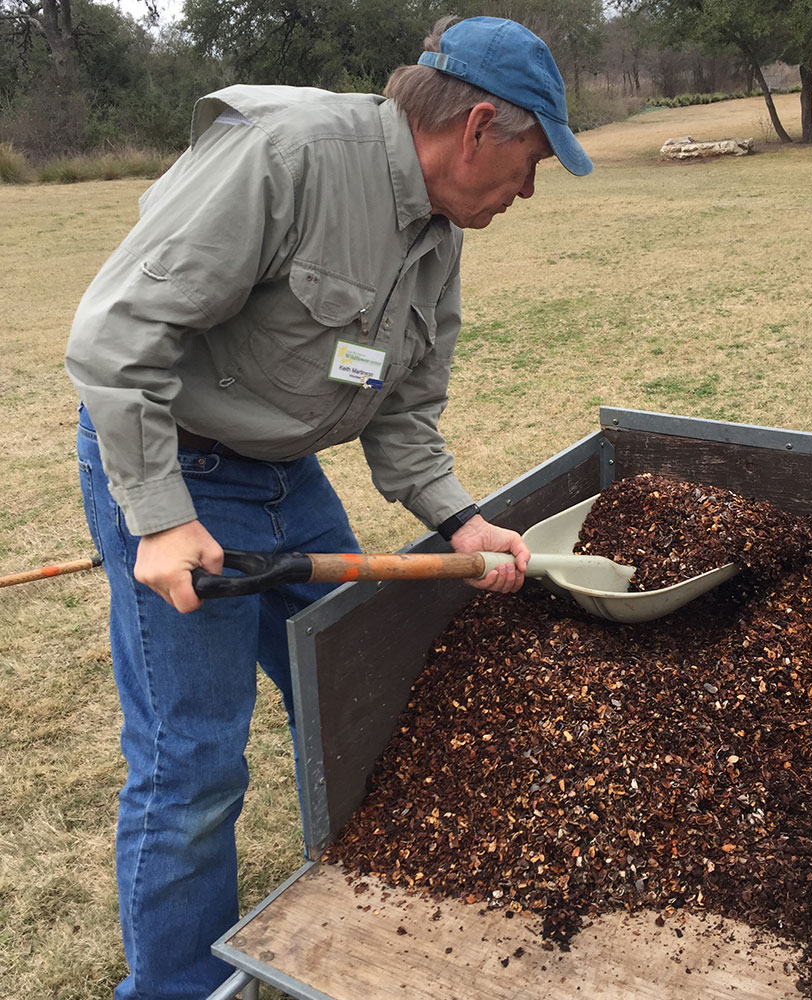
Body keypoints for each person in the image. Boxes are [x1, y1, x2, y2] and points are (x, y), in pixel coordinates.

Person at [65, 14, 593, 1000]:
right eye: (531, 159)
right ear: (479, 123)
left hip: (283, 478)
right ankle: (175, 988)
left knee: (356, 693)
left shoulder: (434, 232)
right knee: (193, 767)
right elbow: (114, 336)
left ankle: (373, 907)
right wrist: (159, 516)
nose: (529, 187)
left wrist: (458, 519)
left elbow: (402, 408)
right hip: (178, 470)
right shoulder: (289, 154)